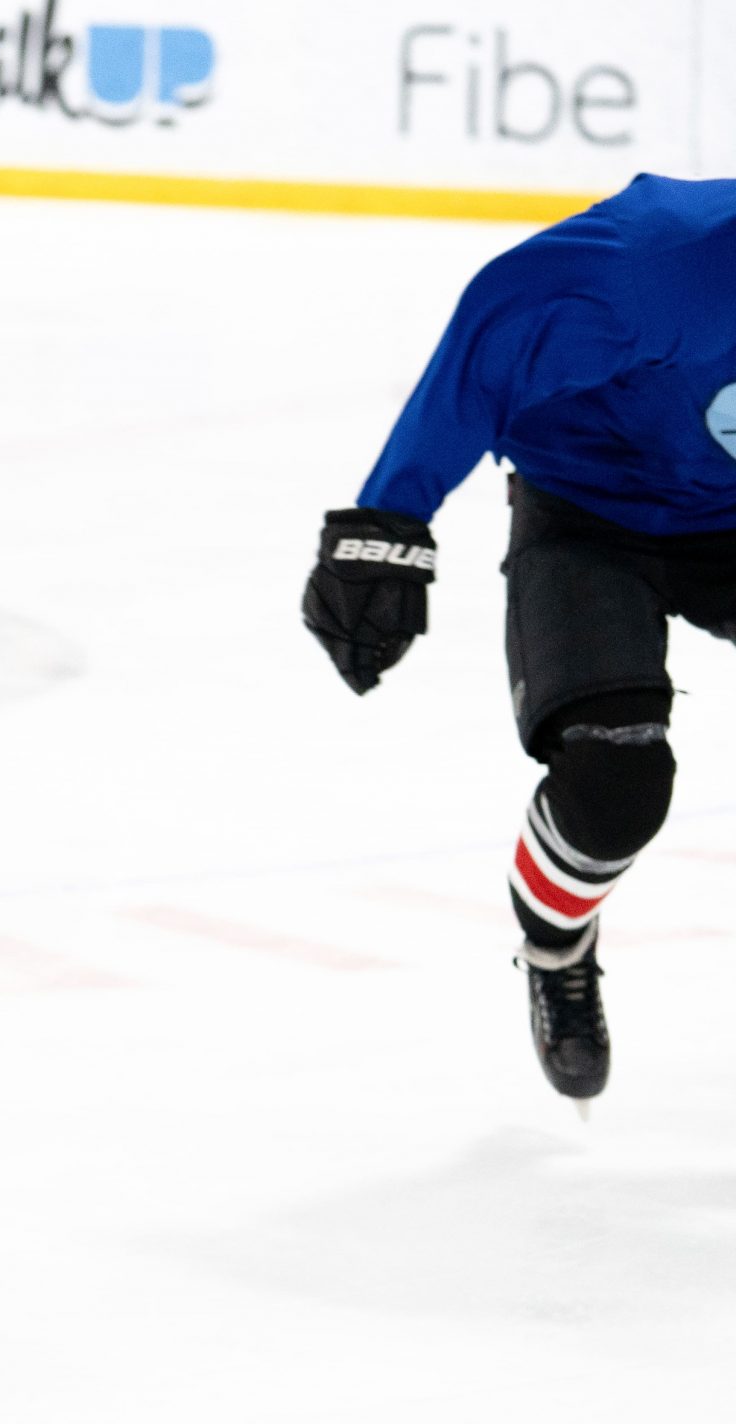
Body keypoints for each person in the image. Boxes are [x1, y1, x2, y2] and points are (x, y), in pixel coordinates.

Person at [301, 172, 736, 1104]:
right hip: (589, 507)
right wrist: (389, 519)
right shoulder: (663, 260)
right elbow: (490, 339)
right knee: (615, 779)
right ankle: (556, 944)